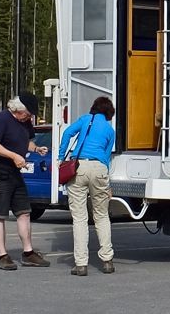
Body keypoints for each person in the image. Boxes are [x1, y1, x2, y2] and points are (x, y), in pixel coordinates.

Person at [0, 92, 51, 271]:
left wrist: (36, 148)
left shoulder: (25, 122)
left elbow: (25, 141)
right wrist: (13, 156)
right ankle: (3, 255)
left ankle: (28, 253)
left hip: (16, 174)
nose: (29, 118)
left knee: (24, 212)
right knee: (0, 215)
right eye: (28, 114)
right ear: (18, 110)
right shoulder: (2, 119)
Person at [59, 96, 116, 276]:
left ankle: (81, 264)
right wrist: (108, 184)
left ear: (94, 108)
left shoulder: (85, 120)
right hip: (100, 169)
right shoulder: (110, 129)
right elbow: (106, 157)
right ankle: (107, 260)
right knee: (101, 216)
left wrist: (62, 156)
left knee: (80, 218)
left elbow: (67, 133)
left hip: (79, 168)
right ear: (109, 112)